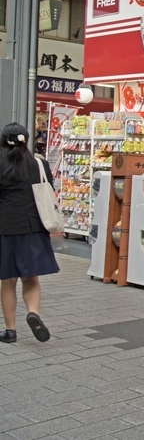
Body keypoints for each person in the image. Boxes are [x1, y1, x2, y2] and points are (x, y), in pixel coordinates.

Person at [0, 123, 58, 344]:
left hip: (5, 228)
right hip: (34, 227)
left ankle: (10, 331)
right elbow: (49, 188)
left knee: (8, 280)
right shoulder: (39, 164)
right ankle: (33, 313)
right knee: (31, 277)